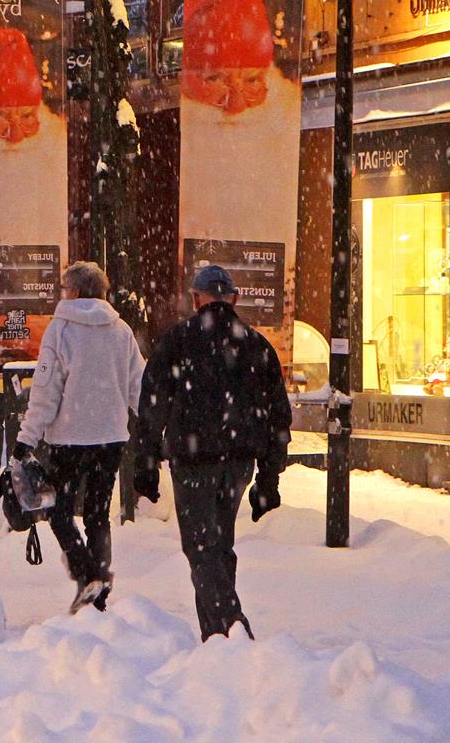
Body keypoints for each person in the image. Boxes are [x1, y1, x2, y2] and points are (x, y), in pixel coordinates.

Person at [134, 264, 292, 641]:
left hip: (193, 462)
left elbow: (152, 406)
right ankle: (218, 644)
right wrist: (269, 478)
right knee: (219, 546)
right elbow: (278, 420)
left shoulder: (178, 341)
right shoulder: (256, 345)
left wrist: (146, 462)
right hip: (239, 463)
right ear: (234, 299)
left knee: (202, 548)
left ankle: (235, 629)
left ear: (195, 299)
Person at [12, 261, 146, 614]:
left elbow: (45, 391)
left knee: (58, 511)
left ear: (73, 291)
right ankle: (98, 589)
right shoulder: (122, 332)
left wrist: (27, 437)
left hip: (70, 437)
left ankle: (88, 576)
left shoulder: (61, 331)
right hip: (111, 438)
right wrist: (153, 427)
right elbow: (139, 388)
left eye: (64, 289)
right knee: (98, 514)